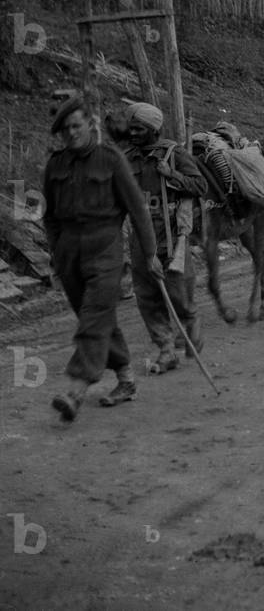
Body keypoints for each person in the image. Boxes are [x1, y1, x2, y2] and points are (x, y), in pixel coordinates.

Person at [43, 94, 163, 420]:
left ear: (90, 125)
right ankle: (125, 378)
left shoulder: (110, 160)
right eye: (65, 129)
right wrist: (56, 254)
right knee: (98, 317)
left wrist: (151, 254)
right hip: (69, 252)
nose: (71, 134)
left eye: (76, 126)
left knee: (94, 316)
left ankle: (76, 389)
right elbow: (50, 216)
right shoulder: (56, 165)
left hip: (104, 249)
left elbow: (138, 210)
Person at [121, 102, 207, 373]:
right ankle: (166, 350)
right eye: (130, 128)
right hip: (140, 236)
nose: (132, 133)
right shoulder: (126, 158)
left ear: (153, 130)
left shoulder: (174, 153)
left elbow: (200, 186)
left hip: (170, 235)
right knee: (146, 296)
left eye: (138, 129)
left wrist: (172, 176)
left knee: (178, 291)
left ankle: (190, 323)